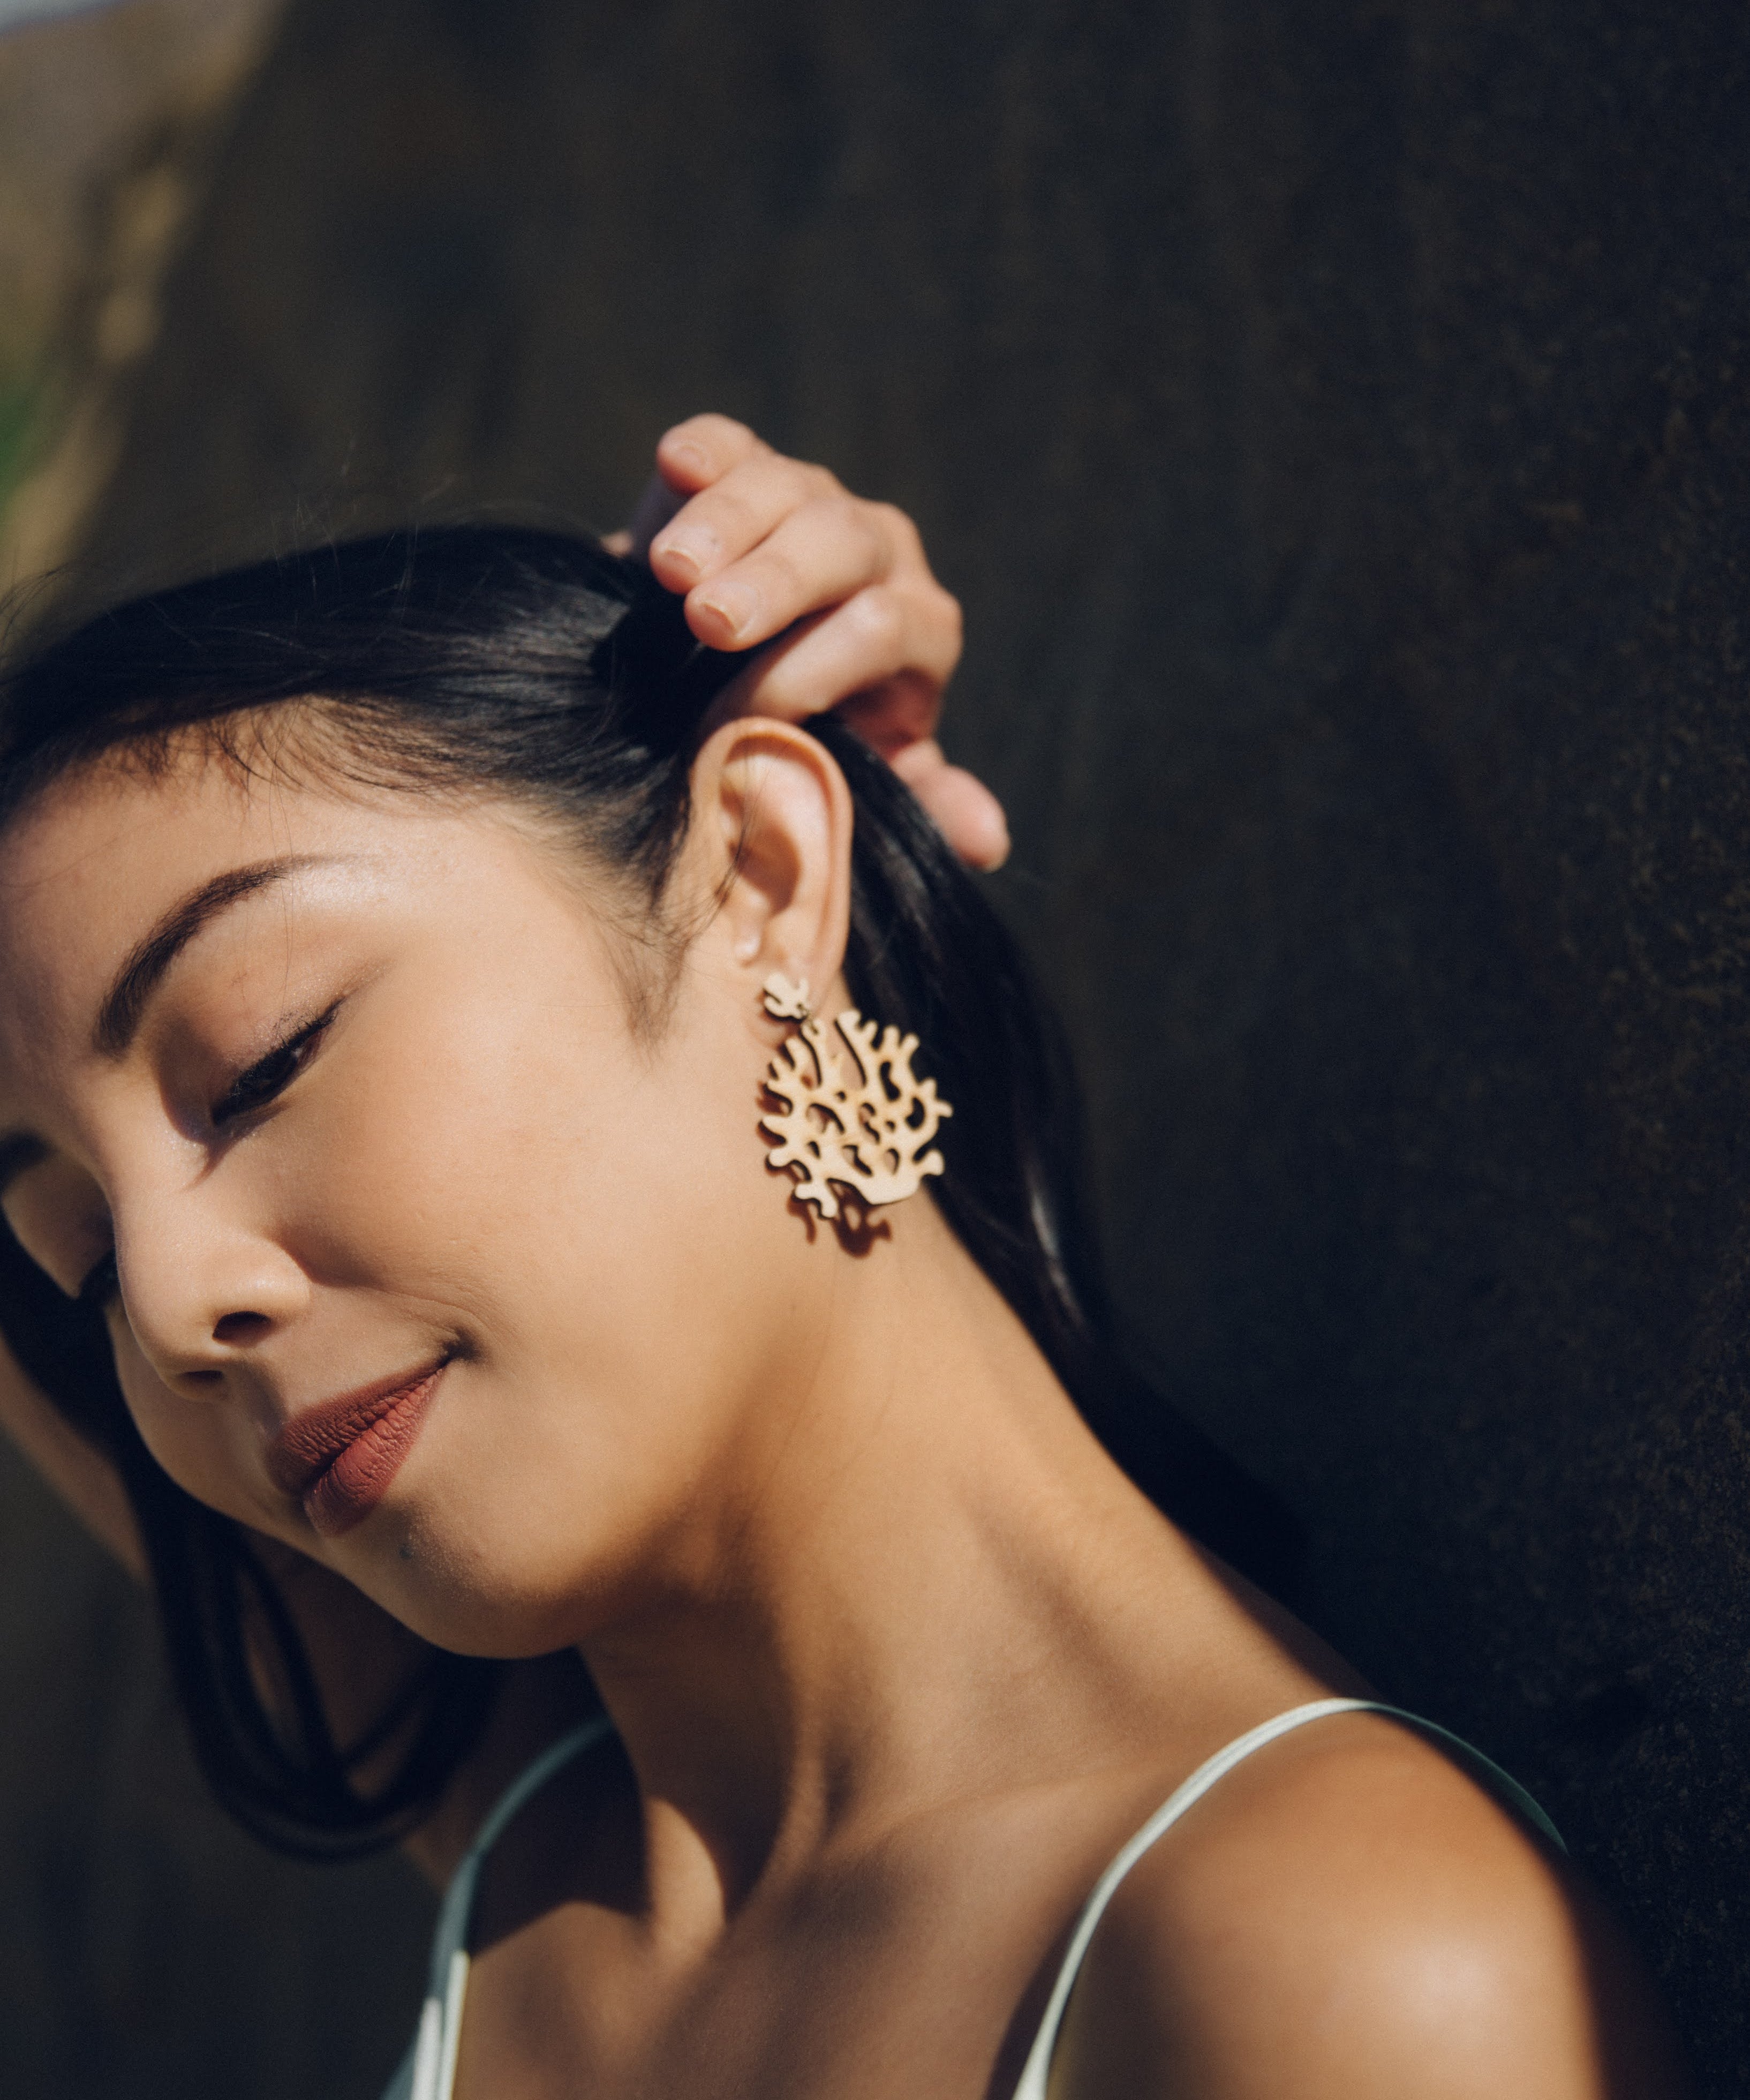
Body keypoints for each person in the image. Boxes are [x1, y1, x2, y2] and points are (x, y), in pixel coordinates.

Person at [0, 415, 1682, 2098]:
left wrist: (654, 634)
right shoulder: (545, 1846)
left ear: (760, 868)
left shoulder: (1346, 1982)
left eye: (263, 1059)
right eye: (71, 1247)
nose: (160, 1308)